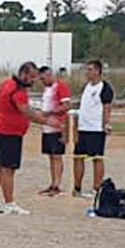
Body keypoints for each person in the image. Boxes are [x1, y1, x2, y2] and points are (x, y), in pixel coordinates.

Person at [0, 61, 47, 215]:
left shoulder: (7, 84)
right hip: (9, 134)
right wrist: (46, 120)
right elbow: (26, 111)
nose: (34, 81)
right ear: (24, 74)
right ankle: (9, 203)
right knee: (9, 169)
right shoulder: (17, 91)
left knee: (2, 166)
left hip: (1, 131)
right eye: (32, 77)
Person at [69, 59, 114, 197]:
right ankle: (77, 187)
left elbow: (107, 107)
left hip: (96, 129)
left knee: (97, 158)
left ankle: (97, 188)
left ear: (97, 71)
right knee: (78, 157)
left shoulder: (104, 87)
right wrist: (76, 127)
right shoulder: (87, 87)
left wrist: (105, 124)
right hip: (83, 127)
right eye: (86, 70)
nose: (87, 73)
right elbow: (82, 108)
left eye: (90, 70)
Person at [35, 67, 72, 196]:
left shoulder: (60, 87)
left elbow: (66, 106)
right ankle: (53, 183)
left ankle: (57, 184)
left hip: (58, 126)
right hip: (47, 127)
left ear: (50, 75)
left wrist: (50, 112)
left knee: (57, 156)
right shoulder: (46, 90)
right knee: (51, 156)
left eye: (43, 78)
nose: (42, 81)